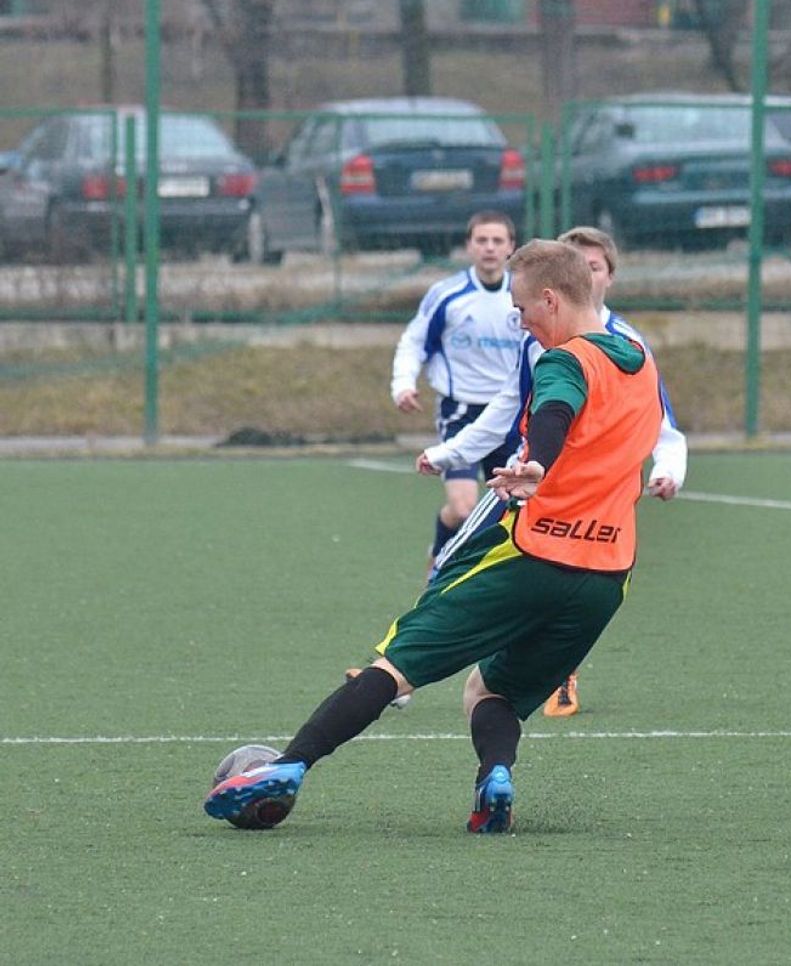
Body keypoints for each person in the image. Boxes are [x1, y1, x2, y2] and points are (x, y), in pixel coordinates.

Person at [205, 240, 663, 834]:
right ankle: (495, 779)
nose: (520, 321)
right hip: (607, 574)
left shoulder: (564, 360)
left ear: (551, 299)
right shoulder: (640, 359)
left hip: (532, 555)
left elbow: (556, 408)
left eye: (523, 309)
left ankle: (287, 766)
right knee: (489, 691)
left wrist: (537, 465)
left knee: (396, 664)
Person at [418, 225, 688, 717]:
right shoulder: (535, 335)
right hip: (527, 480)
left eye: (594, 266)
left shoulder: (628, 345)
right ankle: (404, 669)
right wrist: (450, 453)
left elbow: (662, 422)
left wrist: (671, 469)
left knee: (575, 582)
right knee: (456, 557)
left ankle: (556, 674)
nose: (585, 274)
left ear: (607, 277)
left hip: (587, 498)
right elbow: (507, 405)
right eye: (577, 264)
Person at [389, 211, 524, 565]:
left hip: (510, 417)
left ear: (511, 247)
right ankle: (439, 555)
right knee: (464, 508)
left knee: (509, 512)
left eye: (497, 241)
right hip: (461, 411)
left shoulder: (524, 296)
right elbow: (413, 341)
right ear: (469, 246)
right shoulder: (447, 294)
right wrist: (403, 384)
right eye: (482, 240)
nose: (490, 248)